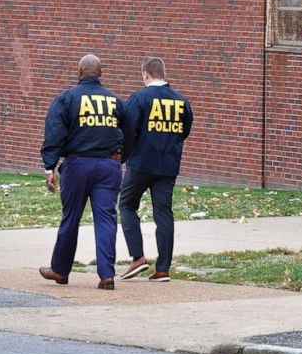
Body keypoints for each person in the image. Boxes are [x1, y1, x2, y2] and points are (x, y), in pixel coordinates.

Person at [39, 54, 134, 291]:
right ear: (100, 74)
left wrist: (50, 166)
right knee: (106, 219)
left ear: (79, 72)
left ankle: (60, 270)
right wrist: (122, 158)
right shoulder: (115, 101)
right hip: (108, 166)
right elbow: (131, 132)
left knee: (71, 217)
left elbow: (54, 132)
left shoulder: (67, 98)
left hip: (77, 165)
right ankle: (106, 275)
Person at [117, 57, 194, 282]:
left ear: (146, 75)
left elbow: (128, 130)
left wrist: (124, 156)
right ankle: (163, 269)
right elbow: (185, 130)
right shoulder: (181, 100)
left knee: (127, 204)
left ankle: (138, 257)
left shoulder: (140, 98)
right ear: (163, 73)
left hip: (141, 163)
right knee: (163, 212)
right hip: (168, 165)